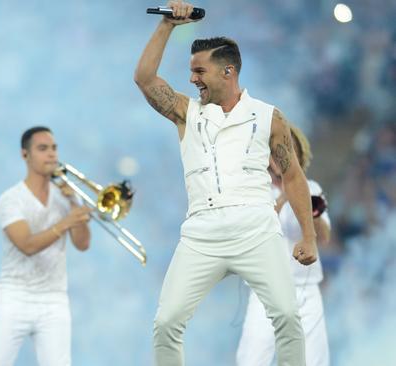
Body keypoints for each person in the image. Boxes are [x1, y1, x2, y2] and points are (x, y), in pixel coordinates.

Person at [133, 2, 318, 365]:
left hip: (256, 230)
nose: (192, 79)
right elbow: (144, 78)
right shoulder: (187, 112)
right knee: (167, 322)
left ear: (228, 71)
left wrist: (309, 236)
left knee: (287, 317)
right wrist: (168, 25)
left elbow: (292, 175)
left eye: (199, 71)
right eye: (190, 72)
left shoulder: (268, 116)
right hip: (201, 234)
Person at [0, 126, 91, 366]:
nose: (51, 154)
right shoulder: (10, 199)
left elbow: (82, 244)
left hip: (54, 298)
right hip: (13, 295)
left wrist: (74, 203)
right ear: (25, 155)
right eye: (42, 149)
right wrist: (67, 222)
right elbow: (27, 245)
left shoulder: (68, 196)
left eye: (53, 148)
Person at [236, 124, 331, 366]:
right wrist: (287, 193)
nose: (281, 155)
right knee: (252, 358)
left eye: (286, 149)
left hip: (306, 290)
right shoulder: (254, 189)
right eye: (275, 149)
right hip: (267, 292)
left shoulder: (313, 189)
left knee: (313, 360)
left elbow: (325, 238)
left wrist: (314, 214)